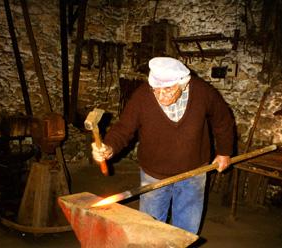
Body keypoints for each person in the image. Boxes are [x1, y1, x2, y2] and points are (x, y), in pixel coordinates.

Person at [92, 57, 235, 234]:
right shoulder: (142, 96)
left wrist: (224, 152)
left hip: (194, 172)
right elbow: (123, 128)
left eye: (168, 89)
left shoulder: (202, 92)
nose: (161, 96)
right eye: (156, 90)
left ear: (183, 84)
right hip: (154, 173)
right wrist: (109, 147)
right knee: (149, 229)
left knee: (186, 231)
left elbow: (222, 120)